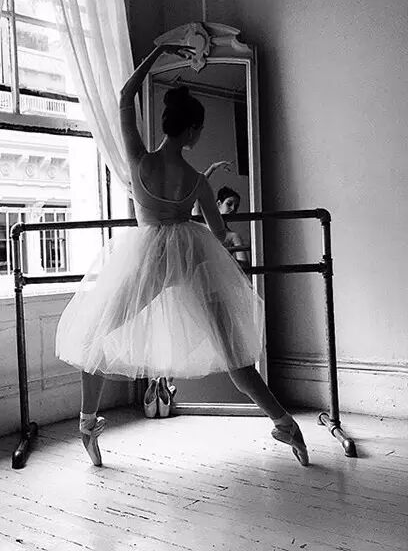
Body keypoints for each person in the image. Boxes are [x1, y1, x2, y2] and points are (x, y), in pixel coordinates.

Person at [55, 43, 308, 468]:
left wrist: (158, 53)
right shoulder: (196, 180)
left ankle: (87, 424)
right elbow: (220, 232)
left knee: (96, 336)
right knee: (235, 356)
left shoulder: (139, 161)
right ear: (191, 131)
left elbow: (125, 96)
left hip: (147, 259)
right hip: (192, 259)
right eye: (199, 130)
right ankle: (286, 424)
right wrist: (199, 191)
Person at [216, 185, 250, 267]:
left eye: (236, 207)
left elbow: (245, 266)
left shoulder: (233, 236)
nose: (233, 209)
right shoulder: (202, 227)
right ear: (219, 204)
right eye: (229, 204)